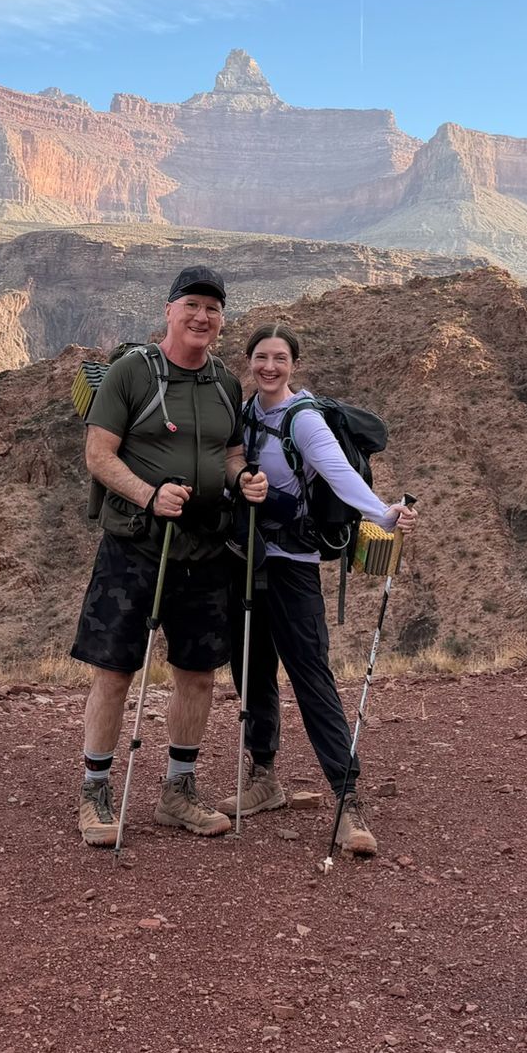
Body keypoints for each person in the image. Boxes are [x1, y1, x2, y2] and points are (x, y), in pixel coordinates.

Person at [72, 265, 269, 847]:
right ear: (169, 310)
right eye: (192, 305)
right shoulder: (133, 373)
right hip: (134, 546)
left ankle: (177, 792)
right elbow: (98, 454)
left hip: (204, 547)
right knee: (114, 671)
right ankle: (95, 792)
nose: (201, 317)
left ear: (222, 318)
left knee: (199, 675)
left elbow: (229, 451)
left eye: (212, 308)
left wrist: (243, 480)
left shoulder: (225, 383)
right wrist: (149, 495)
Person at [217, 322, 416, 858]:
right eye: (261, 357)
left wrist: (382, 513)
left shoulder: (302, 420)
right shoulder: (243, 413)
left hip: (292, 566)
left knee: (311, 676)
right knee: (250, 667)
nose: (269, 367)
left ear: (293, 364)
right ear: (249, 360)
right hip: (244, 557)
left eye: (279, 358)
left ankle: (347, 800)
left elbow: (335, 472)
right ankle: (264, 776)